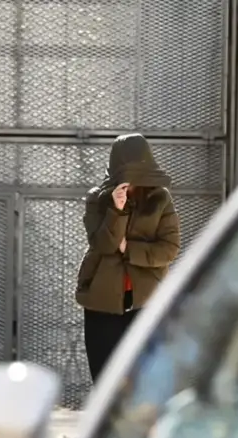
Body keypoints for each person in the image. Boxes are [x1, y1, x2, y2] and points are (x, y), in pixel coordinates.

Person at [75, 133, 181, 382]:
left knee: (143, 380)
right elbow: (102, 244)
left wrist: (129, 248)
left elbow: (169, 248)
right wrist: (115, 210)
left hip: (146, 303)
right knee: (104, 378)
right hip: (102, 302)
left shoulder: (160, 199)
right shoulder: (97, 199)